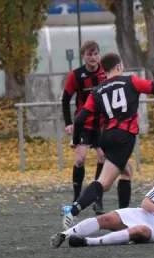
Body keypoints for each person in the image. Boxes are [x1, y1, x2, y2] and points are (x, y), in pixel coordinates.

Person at [61, 52, 154, 230]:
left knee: (126, 171)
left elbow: (79, 119)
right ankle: (75, 211)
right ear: (119, 66)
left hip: (106, 136)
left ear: (103, 70)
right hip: (124, 136)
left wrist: (76, 140)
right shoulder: (130, 81)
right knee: (104, 183)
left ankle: (123, 217)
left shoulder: (97, 90)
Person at [51, 151, 154, 248]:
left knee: (139, 230)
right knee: (107, 218)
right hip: (148, 215)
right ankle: (64, 235)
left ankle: (87, 242)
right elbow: (146, 203)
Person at [61, 40, 106, 214]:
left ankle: (98, 199)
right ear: (83, 57)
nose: (93, 58)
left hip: (102, 124)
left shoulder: (105, 73)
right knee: (80, 159)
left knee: (102, 157)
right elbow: (65, 100)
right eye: (89, 54)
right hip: (83, 124)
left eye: (96, 54)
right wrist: (69, 123)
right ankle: (77, 198)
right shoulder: (77, 75)